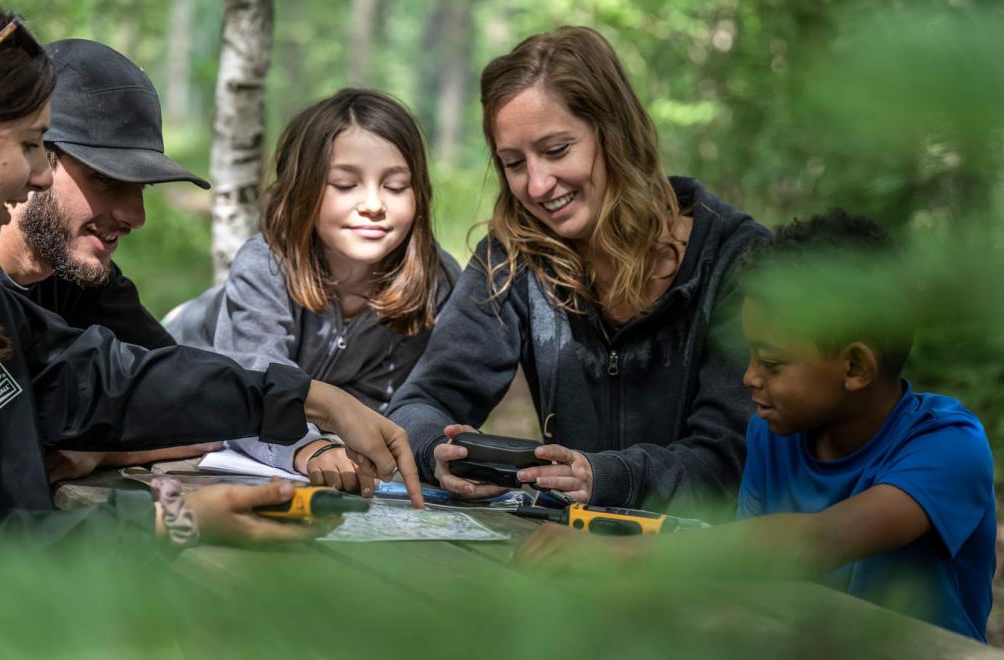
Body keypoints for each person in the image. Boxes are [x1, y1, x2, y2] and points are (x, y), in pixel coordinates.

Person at [0, 0, 420, 558]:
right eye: (29, 145)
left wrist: (304, 397)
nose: (38, 177)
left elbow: (104, 377)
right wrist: (169, 520)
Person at [516, 211, 995, 640]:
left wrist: (614, 558)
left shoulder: (948, 446)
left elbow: (818, 541)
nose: (749, 378)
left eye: (771, 362)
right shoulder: (773, 434)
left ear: (855, 368)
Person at [387, 26, 767, 518]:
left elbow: (729, 458)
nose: (538, 184)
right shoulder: (512, 257)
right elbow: (421, 402)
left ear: (616, 133)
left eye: (557, 150)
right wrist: (436, 450)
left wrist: (607, 475)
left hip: (700, 564)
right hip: (562, 549)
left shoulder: (737, 260)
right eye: (513, 163)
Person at [166, 89, 459, 491]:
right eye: (345, 184)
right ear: (303, 190)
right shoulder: (266, 262)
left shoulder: (435, 281)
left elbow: (400, 403)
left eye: (395, 187)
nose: (373, 204)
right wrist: (310, 449)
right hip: (181, 386)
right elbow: (249, 387)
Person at [0, 39, 218, 482]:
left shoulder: (77, 274)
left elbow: (194, 402)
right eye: (107, 179)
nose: (136, 216)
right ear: (29, 154)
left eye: (142, 187)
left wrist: (101, 451)